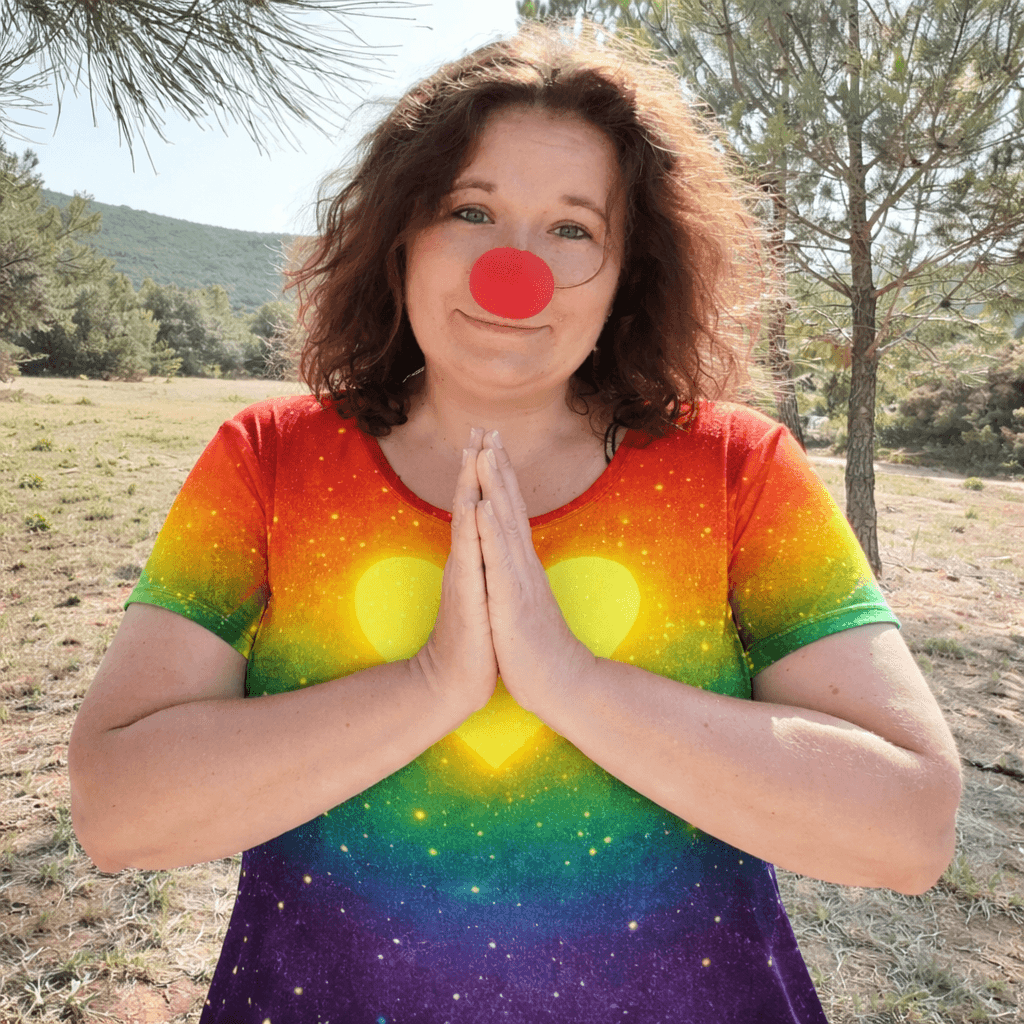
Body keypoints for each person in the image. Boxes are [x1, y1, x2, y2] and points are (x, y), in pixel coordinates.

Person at [68, 17, 963, 1023]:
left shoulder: (736, 469)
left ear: (630, 270)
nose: (514, 269)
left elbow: (909, 834)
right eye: (470, 210)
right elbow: (115, 813)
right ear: (400, 236)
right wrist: (431, 685)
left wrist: (568, 679)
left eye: (573, 229)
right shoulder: (268, 459)